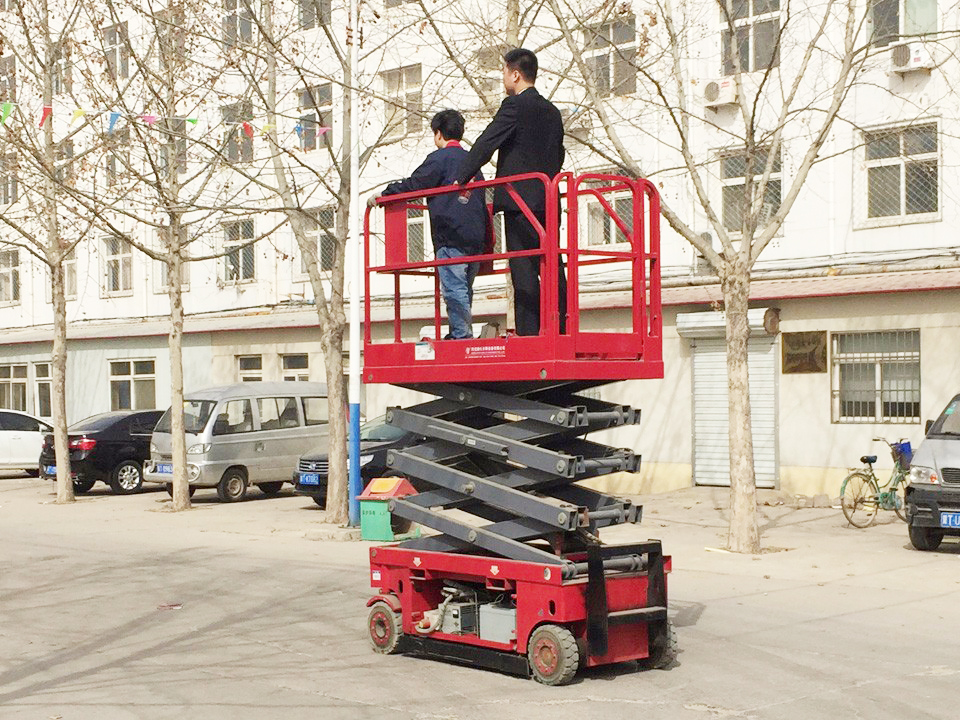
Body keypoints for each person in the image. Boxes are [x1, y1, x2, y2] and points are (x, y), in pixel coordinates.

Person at [456, 47, 567, 336]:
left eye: (504, 72)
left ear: (515, 74)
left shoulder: (514, 106)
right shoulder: (552, 112)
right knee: (552, 264)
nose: (503, 77)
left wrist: (461, 178)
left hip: (520, 202)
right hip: (548, 199)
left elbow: (487, 142)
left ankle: (530, 333)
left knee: (524, 267)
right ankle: (561, 327)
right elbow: (559, 154)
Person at [375, 110, 487, 339]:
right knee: (464, 289)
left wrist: (386, 194)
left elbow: (415, 184)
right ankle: (459, 332)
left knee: (454, 289)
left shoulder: (440, 159)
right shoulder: (473, 162)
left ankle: (461, 335)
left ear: (438, 134)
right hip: (476, 237)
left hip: (450, 235)